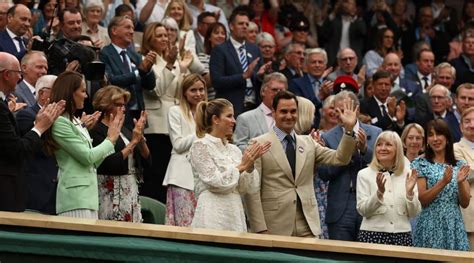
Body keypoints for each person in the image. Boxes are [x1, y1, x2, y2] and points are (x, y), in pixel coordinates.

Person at [245, 90, 358, 237]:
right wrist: (259, 228)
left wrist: (349, 130)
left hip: (307, 224)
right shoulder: (258, 143)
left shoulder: (308, 142)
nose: (289, 116)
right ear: (273, 112)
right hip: (274, 226)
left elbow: (340, 158)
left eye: (293, 111)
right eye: (283, 111)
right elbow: (252, 190)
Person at [44, 71, 123, 219]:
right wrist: (110, 139)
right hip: (74, 198)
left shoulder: (75, 121)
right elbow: (87, 157)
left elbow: (93, 163)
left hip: (89, 198)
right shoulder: (60, 122)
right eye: (82, 91)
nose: (86, 96)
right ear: (70, 93)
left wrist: (110, 140)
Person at [189, 98, 270, 231]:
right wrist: (242, 166)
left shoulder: (234, 150)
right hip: (212, 212)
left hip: (235, 212)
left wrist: (249, 166)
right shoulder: (200, 145)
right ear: (216, 119)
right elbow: (214, 182)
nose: (234, 121)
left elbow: (245, 189)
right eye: (229, 116)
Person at [0, 52, 64, 212]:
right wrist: (40, 127)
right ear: (7, 75)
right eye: (18, 74)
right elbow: (16, 150)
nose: (20, 79)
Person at [140, 21, 196, 203]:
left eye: (166, 35)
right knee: (156, 174)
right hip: (157, 126)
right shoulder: (146, 61)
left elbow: (182, 91)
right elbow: (156, 90)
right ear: (149, 39)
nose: (165, 38)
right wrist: (172, 65)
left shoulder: (172, 61)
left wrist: (182, 67)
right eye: (159, 35)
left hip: (177, 124)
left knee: (172, 172)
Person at [318, 91, 381, 241]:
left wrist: (365, 149)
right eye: (336, 110)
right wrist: (348, 153)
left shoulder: (375, 132)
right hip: (341, 205)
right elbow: (324, 173)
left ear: (357, 110)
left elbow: (383, 166)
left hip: (369, 201)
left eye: (344, 109)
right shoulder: (328, 137)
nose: (339, 114)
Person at [90, 86, 150, 222]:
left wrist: (140, 140)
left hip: (130, 189)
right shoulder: (96, 130)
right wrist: (133, 142)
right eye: (118, 105)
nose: (123, 109)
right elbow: (109, 163)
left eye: (124, 105)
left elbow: (147, 161)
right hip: (109, 192)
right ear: (105, 105)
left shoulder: (126, 130)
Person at [411, 119, 470, 251]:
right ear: (427, 140)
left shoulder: (459, 165)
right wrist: (443, 182)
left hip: (453, 224)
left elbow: (465, 203)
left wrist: (460, 183)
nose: (435, 138)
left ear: (447, 138)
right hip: (430, 224)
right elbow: (423, 200)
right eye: (431, 135)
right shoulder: (421, 163)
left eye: (439, 134)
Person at [356, 131, 421, 246]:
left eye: (388, 144)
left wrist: (410, 194)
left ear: (398, 149)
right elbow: (363, 210)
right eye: (379, 144)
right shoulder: (364, 174)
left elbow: (414, 213)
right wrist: (379, 194)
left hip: (402, 235)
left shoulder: (409, 174)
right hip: (373, 235)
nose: (383, 148)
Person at [163, 74, 207, 226]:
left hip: (205, 177)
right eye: (193, 90)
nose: (198, 94)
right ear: (184, 93)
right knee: (184, 224)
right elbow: (178, 145)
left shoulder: (209, 112)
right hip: (182, 177)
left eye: (201, 89)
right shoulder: (175, 111)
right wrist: (202, 131)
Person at [100, 15, 156, 130]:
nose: (132, 31)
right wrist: (138, 72)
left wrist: (148, 70)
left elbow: (150, 85)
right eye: (127, 27)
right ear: (114, 31)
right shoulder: (104, 53)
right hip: (117, 112)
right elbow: (111, 81)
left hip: (137, 114)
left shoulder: (135, 55)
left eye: (132, 28)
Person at [16, 74, 58, 214]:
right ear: (42, 93)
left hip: (57, 192)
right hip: (37, 189)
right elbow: (39, 148)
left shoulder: (65, 119)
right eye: (58, 90)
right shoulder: (26, 115)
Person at [209, 7, 263, 115]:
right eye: (241, 24)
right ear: (231, 26)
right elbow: (217, 81)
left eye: (247, 24)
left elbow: (257, 79)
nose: (244, 27)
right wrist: (243, 76)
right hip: (231, 108)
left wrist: (261, 75)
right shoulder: (220, 50)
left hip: (255, 107)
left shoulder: (254, 49)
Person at [234, 72, 287, 152]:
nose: (278, 94)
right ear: (263, 91)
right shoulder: (245, 118)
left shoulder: (290, 118)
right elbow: (238, 147)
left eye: (281, 91)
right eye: (274, 90)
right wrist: (262, 151)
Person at [454, 106, 474, 251]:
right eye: (467, 121)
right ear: (461, 126)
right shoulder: (455, 149)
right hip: (469, 218)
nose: (472, 125)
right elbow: (466, 173)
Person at [199, 22, 226, 100]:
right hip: (211, 101)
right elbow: (205, 82)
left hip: (228, 101)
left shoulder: (231, 58)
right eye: (216, 33)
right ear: (209, 37)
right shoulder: (202, 57)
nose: (220, 36)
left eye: (223, 33)